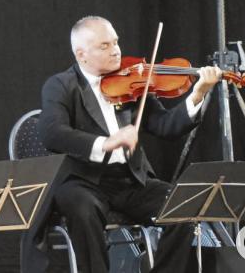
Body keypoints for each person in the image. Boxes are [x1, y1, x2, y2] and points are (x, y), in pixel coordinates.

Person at [25, 16, 222, 272]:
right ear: (81, 54)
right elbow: (52, 133)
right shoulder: (61, 85)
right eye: (104, 46)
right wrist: (105, 142)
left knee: (183, 209)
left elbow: (165, 126)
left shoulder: (132, 80)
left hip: (130, 180)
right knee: (82, 210)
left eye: (116, 42)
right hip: (82, 181)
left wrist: (198, 94)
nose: (116, 50)